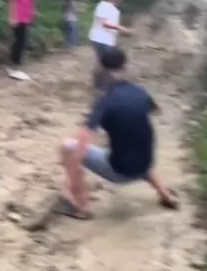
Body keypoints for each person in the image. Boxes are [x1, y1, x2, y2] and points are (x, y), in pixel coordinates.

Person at [56, 45, 179, 218]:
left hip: (120, 172)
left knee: (67, 147)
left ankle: (81, 206)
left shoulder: (105, 101)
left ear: (102, 69)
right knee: (136, 143)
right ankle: (165, 194)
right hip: (146, 163)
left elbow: (82, 144)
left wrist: (74, 177)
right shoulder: (140, 91)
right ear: (124, 65)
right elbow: (156, 111)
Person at [88, 0, 131, 96]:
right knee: (105, 63)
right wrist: (121, 28)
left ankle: (102, 86)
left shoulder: (115, 10)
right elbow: (104, 23)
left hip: (108, 40)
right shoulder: (103, 6)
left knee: (105, 62)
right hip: (100, 38)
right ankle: (100, 88)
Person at [7, 0, 39, 81]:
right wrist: (12, 15)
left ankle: (17, 65)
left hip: (27, 14)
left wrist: (33, 11)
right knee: (19, 40)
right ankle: (13, 67)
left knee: (23, 41)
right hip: (18, 13)